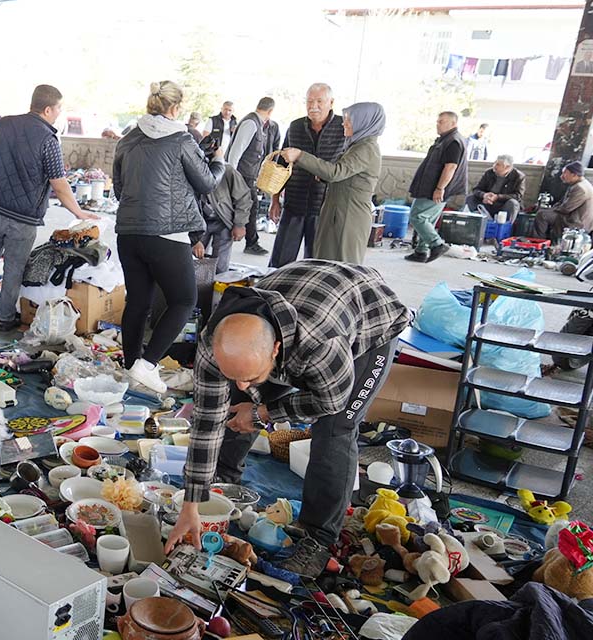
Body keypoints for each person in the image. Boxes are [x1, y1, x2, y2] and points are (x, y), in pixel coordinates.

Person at [165, 260, 408, 578]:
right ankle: (224, 483)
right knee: (241, 396)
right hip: (301, 297)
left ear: (275, 350)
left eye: (250, 374)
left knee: (335, 429)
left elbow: (328, 402)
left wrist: (261, 413)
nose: (240, 384)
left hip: (368, 317)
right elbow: (207, 422)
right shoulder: (215, 346)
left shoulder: (321, 348)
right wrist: (192, 503)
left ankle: (318, 537)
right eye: (231, 373)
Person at [114, 80, 225, 394]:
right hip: (167, 234)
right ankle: (146, 364)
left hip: (129, 233)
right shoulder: (180, 138)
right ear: (175, 108)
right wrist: (219, 161)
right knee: (183, 300)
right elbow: (206, 183)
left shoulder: (126, 139)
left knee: (137, 301)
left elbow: (120, 188)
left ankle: (131, 365)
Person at [0, 84, 99, 331]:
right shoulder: (48, 139)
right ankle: (5, 317)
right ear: (48, 109)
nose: (59, 113)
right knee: (15, 266)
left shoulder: (4, 124)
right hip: (23, 216)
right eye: (58, 108)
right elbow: (58, 183)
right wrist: (79, 213)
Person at [279, 103, 385, 265]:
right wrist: (323, 176)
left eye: (349, 120)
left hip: (349, 217)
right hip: (337, 213)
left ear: (363, 122)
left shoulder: (366, 149)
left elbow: (336, 172)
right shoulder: (356, 145)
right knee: (324, 263)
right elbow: (344, 175)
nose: (344, 123)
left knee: (341, 267)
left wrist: (300, 156)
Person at [268, 83, 348, 267]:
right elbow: (281, 165)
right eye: (310, 101)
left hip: (325, 208)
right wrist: (274, 200)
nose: (314, 106)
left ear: (331, 102)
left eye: (320, 101)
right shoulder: (295, 127)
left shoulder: (343, 128)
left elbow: (346, 168)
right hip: (294, 203)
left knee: (316, 262)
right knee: (280, 260)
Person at [406, 111, 469, 263]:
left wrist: (440, 188)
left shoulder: (453, 141)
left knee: (417, 216)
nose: (438, 124)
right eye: (438, 121)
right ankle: (421, 251)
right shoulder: (446, 139)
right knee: (428, 219)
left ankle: (437, 244)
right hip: (431, 186)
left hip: (435, 188)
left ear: (453, 123)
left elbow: (450, 167)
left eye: (442, 121)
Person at [226, 97, 276, 256]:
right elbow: (235, 152)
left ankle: (251, 241)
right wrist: (231, 178)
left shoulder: (256, 123)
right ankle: (251, 242)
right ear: (270, 112)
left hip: (247, 175)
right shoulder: (251, 123)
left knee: (252, 207)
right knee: (249, 207)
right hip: (241, 176)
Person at [198, 158, 254, 275]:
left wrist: (239, 224)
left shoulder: (227, 171)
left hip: (223, 220)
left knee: (220, 266)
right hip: (199, 221)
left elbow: (243, 198)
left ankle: (216, 289)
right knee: (194, 261)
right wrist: (194, 240)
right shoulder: (192, 168)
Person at [535, 162, 593, 243]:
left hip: (575, 222)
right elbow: (562, 202)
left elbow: (566, 208)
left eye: (565, 173)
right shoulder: (579, 184)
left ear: (574, 175)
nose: (561, 176)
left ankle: (540, 242)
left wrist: (550, 209)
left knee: (542, 214)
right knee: (543, 211)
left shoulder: (580, 188)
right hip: (571, 216)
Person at [467, 155, 526, 223]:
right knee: (470, 198)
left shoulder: (518, 176)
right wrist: (484, 195)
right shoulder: (489, 173)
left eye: (498, 164)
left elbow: (518, 196)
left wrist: (497, 197)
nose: (494, 166)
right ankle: (481, 222)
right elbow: (476, 189)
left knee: (513, 203)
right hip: (487, 203)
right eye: (494, 163)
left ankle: (503, 227)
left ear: (507, 167)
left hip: (503, 205)